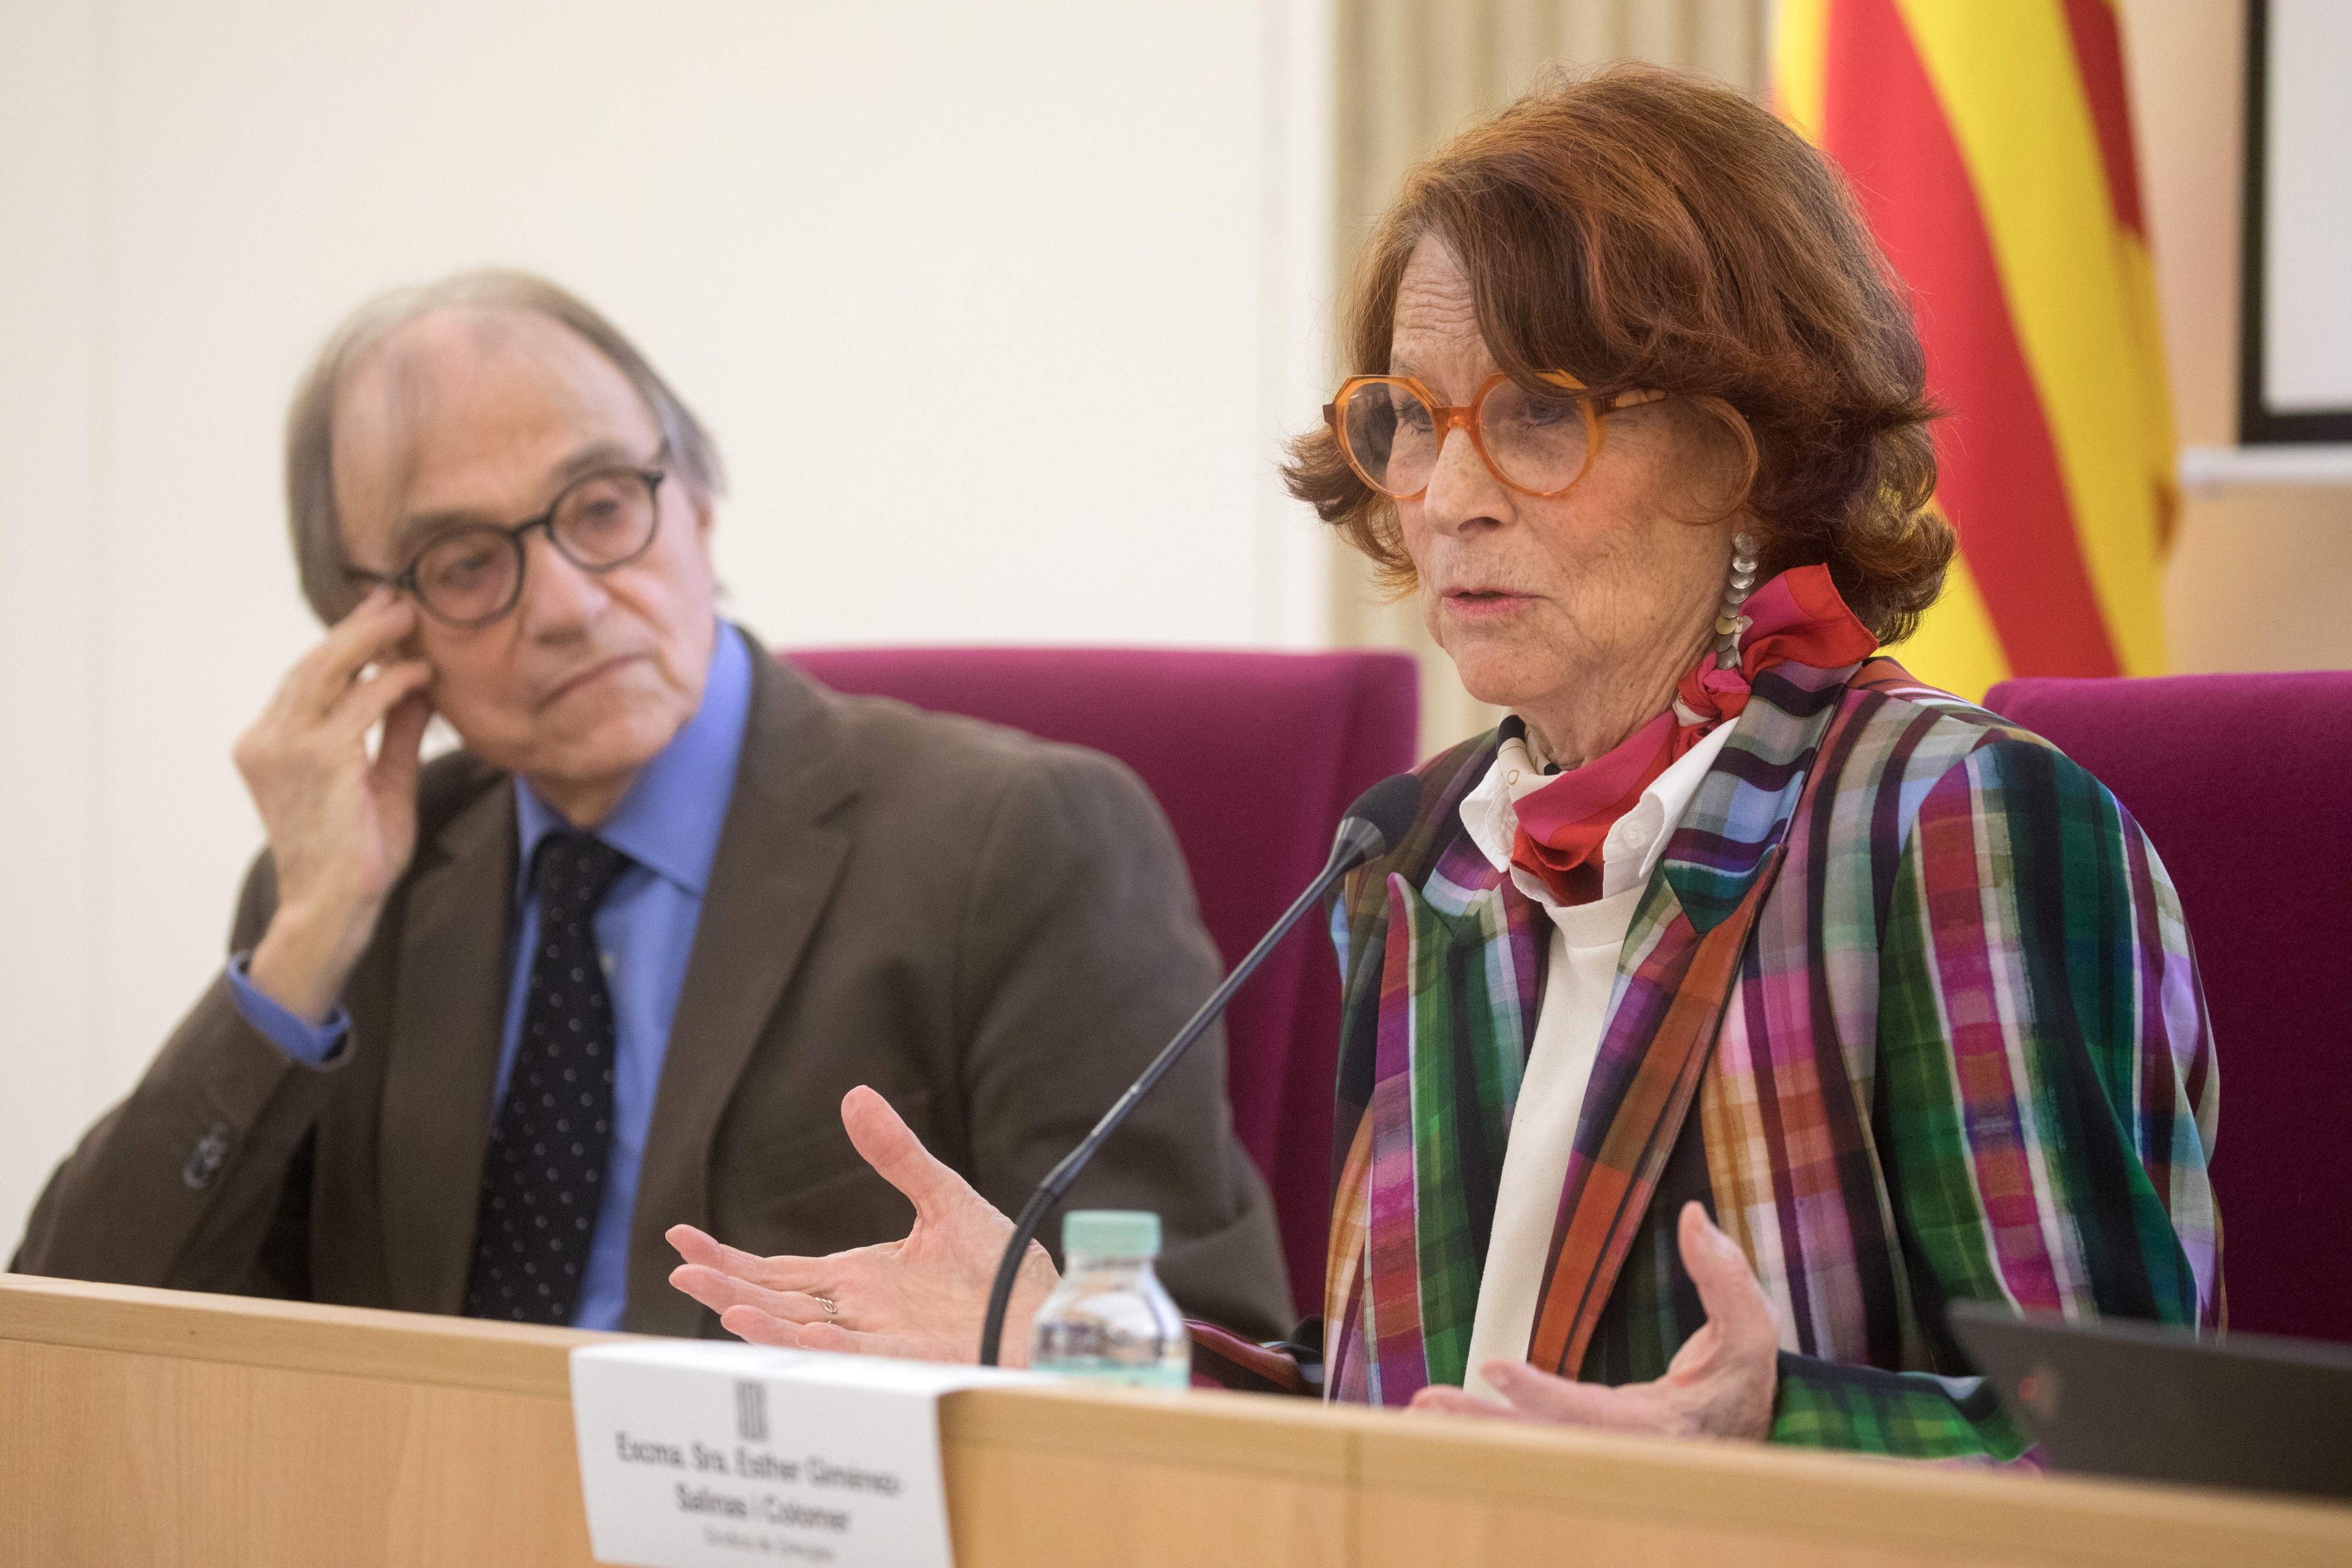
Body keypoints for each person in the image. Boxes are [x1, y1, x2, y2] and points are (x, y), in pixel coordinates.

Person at [666, 66, 2219, 1462]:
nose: (1448, 492)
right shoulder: (1427, 856)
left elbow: (2134, 1454)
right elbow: (1388, 1428)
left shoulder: (1943, 822)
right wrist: (1060, 1343)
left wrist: (1776, 1432)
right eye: (1412, 417)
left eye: (1540, 412)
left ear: (1748, 451)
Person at [12, 271, 1291, 1342]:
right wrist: (305, 939)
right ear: (370, 629)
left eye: (602, 506)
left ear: (698, 501)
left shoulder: (1019, 841)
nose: (565, 600)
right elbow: (77, 1336)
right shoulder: (358, 895)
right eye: (466, 562)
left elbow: (1189, 1350)